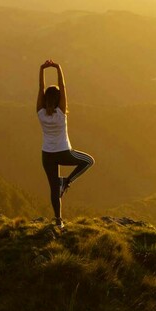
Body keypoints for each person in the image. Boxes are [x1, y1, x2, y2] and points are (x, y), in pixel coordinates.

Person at [37, 59, 95, 228]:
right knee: (89, 161)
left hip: (47, 155)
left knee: (54, 189)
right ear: (58, 99)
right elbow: (63, 87)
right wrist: (58, 67)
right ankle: (67, 181)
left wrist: (42, 69)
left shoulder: (40, 112)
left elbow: (40, 89)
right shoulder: (61, 113)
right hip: (63, 152)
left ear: (45, 98)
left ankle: (58, 221)